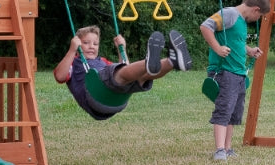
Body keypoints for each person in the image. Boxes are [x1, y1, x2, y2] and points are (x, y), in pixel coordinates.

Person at [53, 25, 192, 120]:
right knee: (118, 73)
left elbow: (126, 68)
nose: (91, 47)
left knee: (141, 76)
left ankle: (172, 61)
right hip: (96, 97)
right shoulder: (74, 62)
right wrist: (72, 50)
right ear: (77, 44)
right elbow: (60, 76)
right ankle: (148, 61)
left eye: (95, 44)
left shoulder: (103, 61)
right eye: (86, 43)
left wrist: (122, 49)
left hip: (117, 100)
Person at [199, 0, 272, 162]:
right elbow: (205, 26)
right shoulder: (229, 14)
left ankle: (228, 147)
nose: (258, 19)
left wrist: (249, 51)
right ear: (255, 9)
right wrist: (217, 48)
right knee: (224, 110)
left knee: (233, 113)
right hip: (225, 71)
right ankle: (219, 150)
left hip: (239, 73)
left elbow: (236, 42)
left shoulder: (241, 21)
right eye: (260, 16)